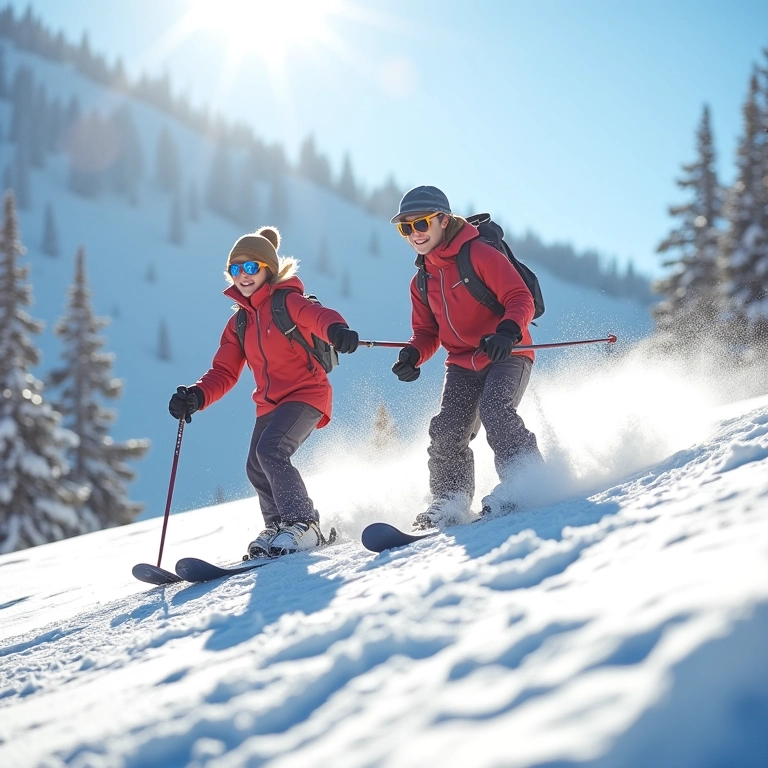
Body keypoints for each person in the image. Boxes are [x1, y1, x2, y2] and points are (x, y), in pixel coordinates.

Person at [168, 226, 359, 557]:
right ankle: (277, 526)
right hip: (270, 404)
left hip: (306, 393)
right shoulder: (239, 323)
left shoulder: (288, 302)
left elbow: (320, 317)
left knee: (271, 451)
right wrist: (197, 396)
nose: (243, 275)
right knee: (256, 465)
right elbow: (224, 372)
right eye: (235, 269)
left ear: (268, 268)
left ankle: (303, 523)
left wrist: (337, 330)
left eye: (251, 267)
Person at [390, 186, 542, 530]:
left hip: (507, 353)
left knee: (495, 409)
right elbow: (427, 333)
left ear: (443, 220)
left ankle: (525, 483)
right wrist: (413, 355)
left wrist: (506, 333)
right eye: (405, 228)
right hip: (461, 363)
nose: (414, 234)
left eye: (421, 224)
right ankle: (450, 499)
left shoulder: (479, 255)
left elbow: (520, 297)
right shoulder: (422, 281)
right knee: (447, 428)